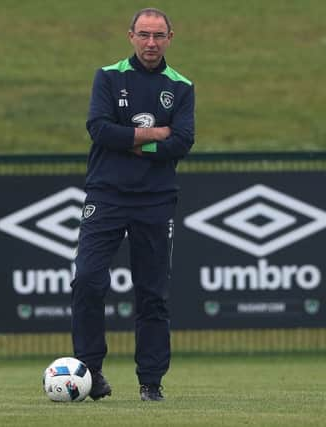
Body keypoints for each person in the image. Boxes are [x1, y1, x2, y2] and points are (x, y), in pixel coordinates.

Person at [71, 8, 194, 402]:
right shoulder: (108, 76)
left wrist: (135, 141)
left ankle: (151, 382)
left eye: (159, 35)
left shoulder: (181, 86)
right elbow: (98, 129)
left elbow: (182, 142)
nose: (151, 43)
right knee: (87, 280)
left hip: (155, 200)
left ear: (170, 38)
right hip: (106, 194)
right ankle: (90, 372)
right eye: (144, 35)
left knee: (152, 293)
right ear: (131, 36)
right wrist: (154, 133)